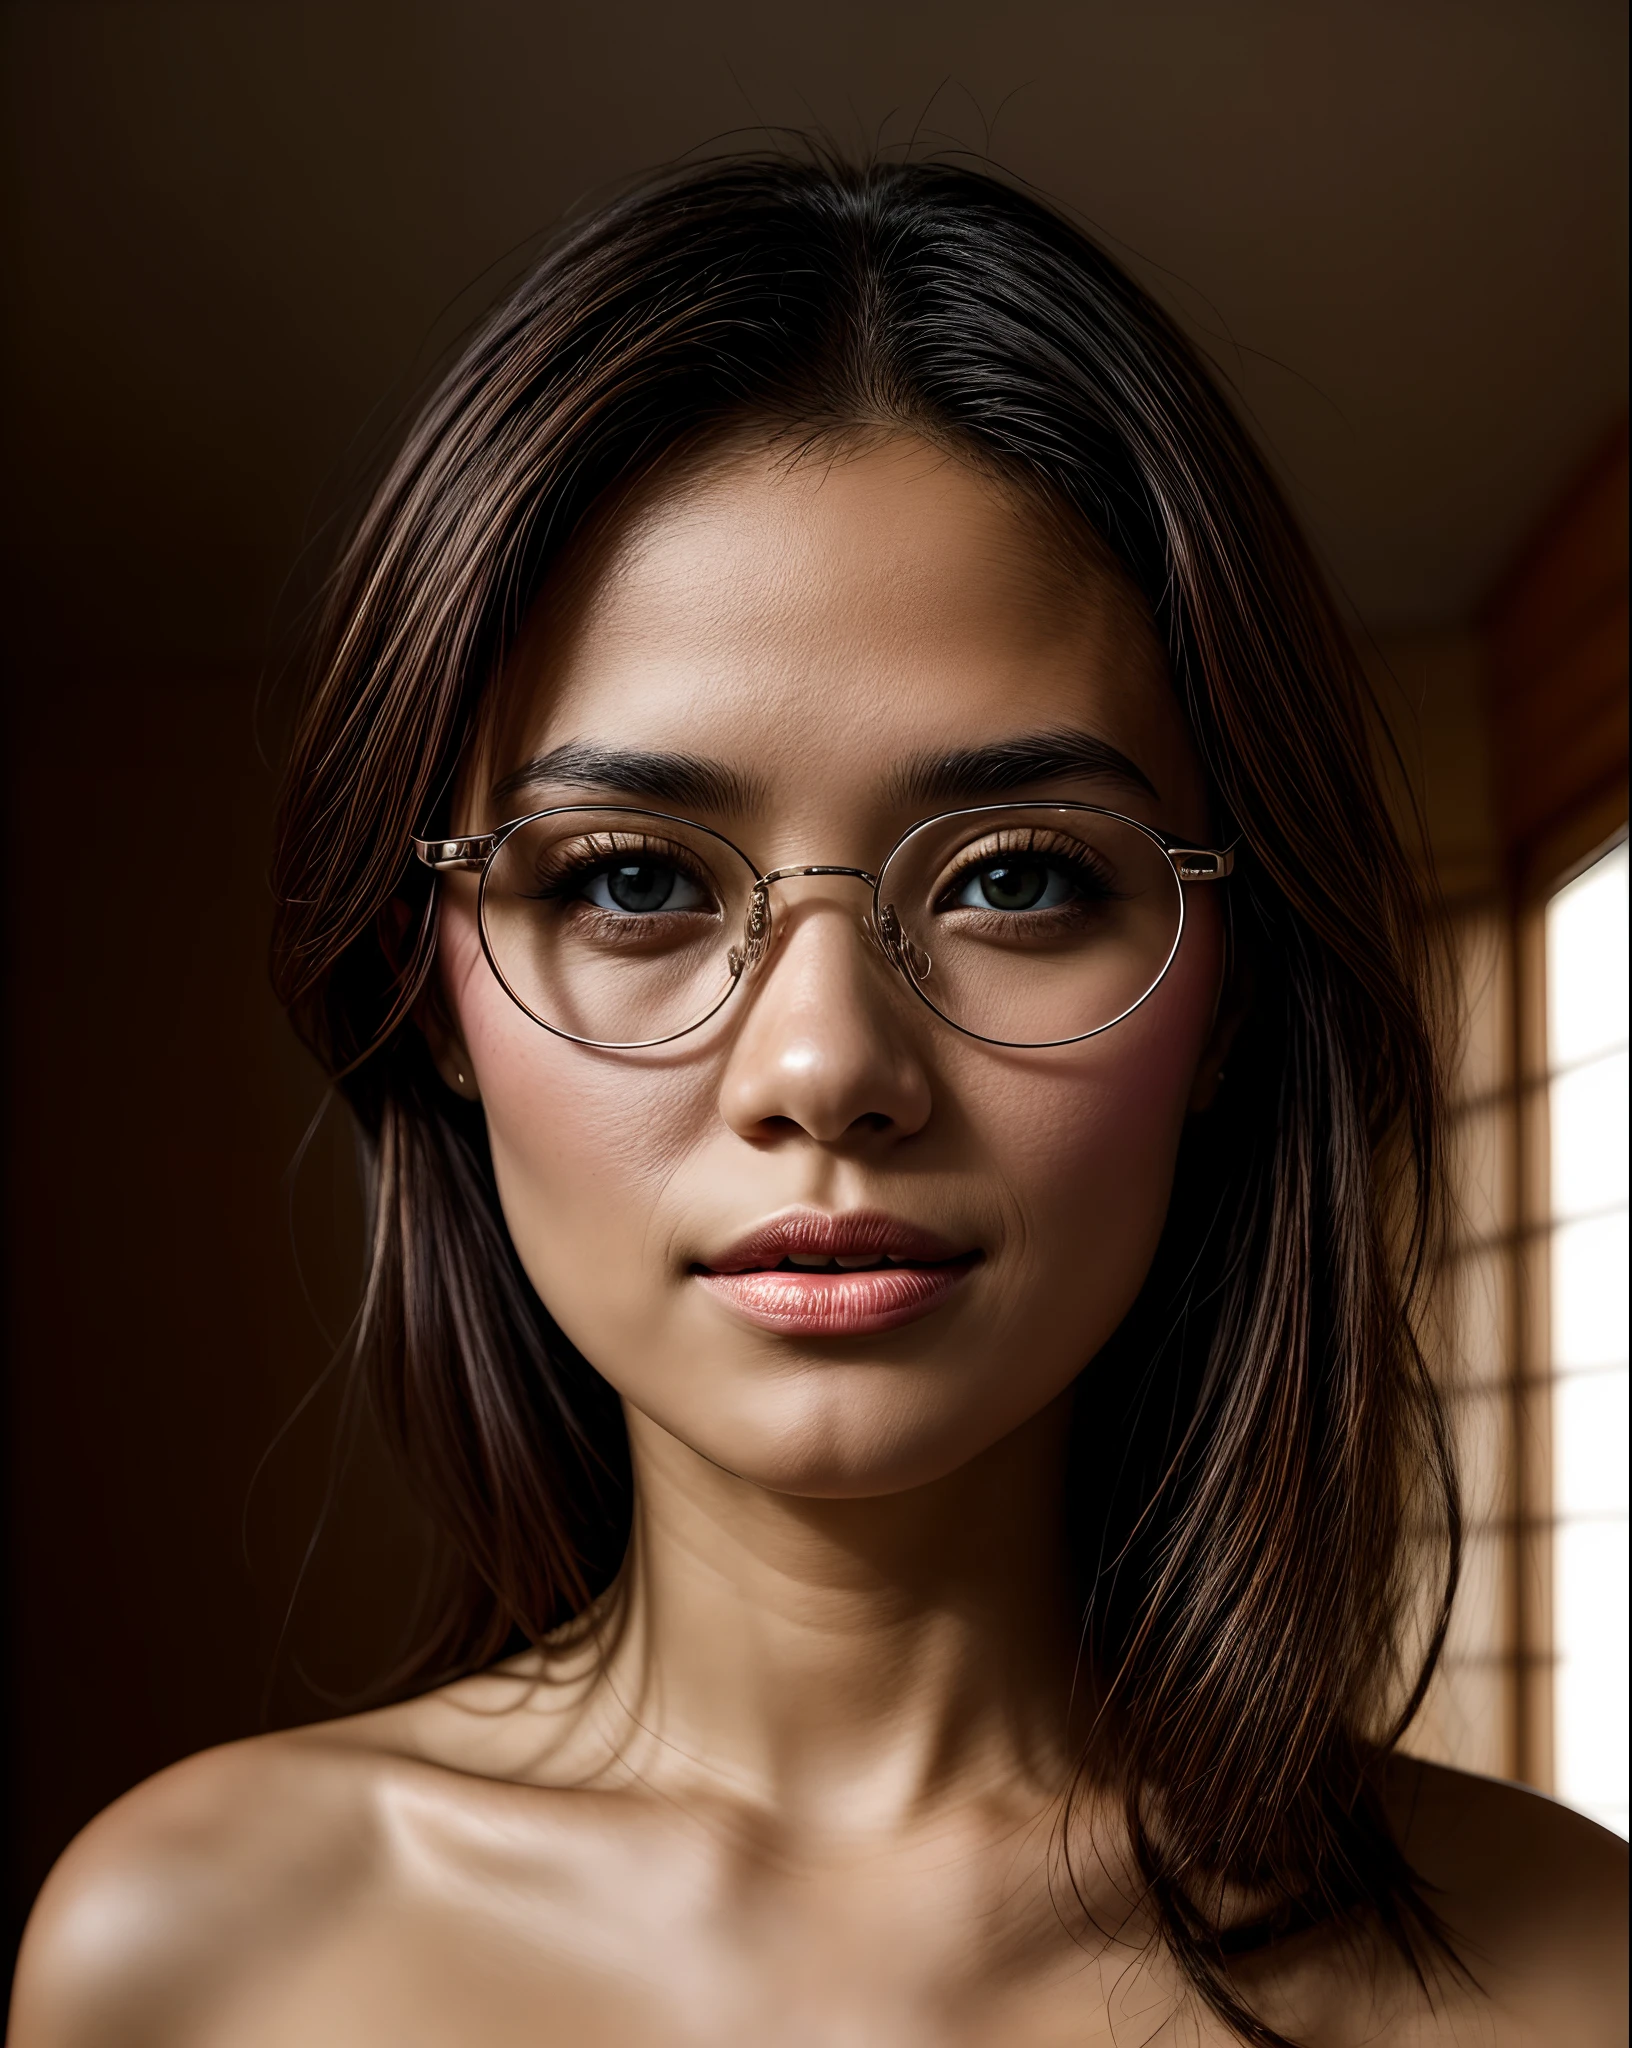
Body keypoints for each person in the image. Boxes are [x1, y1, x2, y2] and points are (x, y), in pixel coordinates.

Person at [10, 154, 1625, 2048]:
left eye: (1019, 877)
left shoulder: (1569, 1977)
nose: (825, 1070)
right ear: (425, 984)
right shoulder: (192, 1959)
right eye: (631, 880)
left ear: (1236, 989)